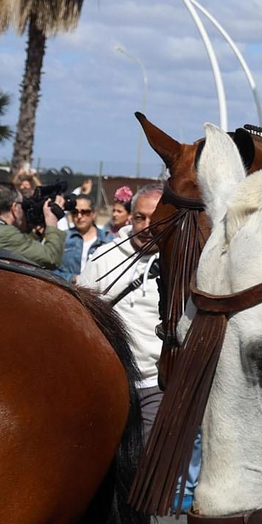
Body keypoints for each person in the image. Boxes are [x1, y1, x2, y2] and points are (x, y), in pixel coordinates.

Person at [80, 186, 164, 443]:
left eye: (155, 218)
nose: (147, 226)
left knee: (146, 466)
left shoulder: (180, 264)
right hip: (110, 382)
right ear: (131, 217)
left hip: (155, 384)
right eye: (140, 217)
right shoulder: (104, 257)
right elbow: (81, 315)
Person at [0, 184, 66, 268]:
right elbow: (52, 258)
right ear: (15, 208)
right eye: (22, 205)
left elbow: (18, 247)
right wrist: (51, 221)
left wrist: (35, 233)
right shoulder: (7, 234)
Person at [57, 194, 113, 280]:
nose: (79, 216)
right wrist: (72, 278)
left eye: (85, 212)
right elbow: (50, 270)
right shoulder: (62, 237)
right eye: (75, 212)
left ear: (94, 214)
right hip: (68, 290)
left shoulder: (107, 240)